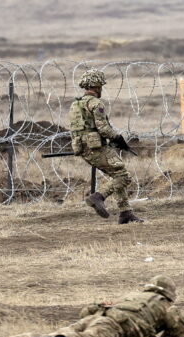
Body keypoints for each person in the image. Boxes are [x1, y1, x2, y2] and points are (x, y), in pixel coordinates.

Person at [0, 275, 184, 337]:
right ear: (169, 294)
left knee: (59, 332)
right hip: (117, 325)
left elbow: (85, 312)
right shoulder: (165, 305)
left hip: (100, 314)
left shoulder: (131, 296)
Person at [70, 68, 142, 224]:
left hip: (83, 148)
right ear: (96, 86)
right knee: (123, 176)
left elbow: (82, 128)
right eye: (100, 85)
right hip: (96, 148)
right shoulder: (96, 103)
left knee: (118, 173)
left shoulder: (76, 104)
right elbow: (103, 128)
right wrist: (118, 138)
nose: (101, 88)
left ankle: (125, 212)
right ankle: (98, 197)